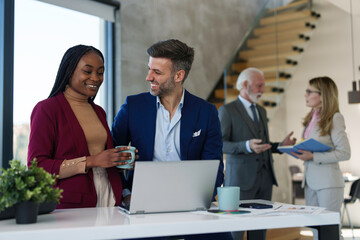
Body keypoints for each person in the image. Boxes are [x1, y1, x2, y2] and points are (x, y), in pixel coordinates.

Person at [112, 39, 232, 240]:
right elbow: (111, 154)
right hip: (141, 205)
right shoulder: (133, 107)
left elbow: (214, 165)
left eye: (157, 72)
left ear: (179, 75)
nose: (148, 77)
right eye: (149, 69)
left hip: (192, 205)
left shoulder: (206, 112)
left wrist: (200, 200)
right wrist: (125, 194)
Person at [27, 45, 133, 209]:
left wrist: (118, 159)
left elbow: (101, 156)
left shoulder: (99, 111)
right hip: (73, 204)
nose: (96, 78)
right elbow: (38, 168)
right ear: (69, 71)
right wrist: (92, 161)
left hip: (110, 196)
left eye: (100, 72)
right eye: (87, 71)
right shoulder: (47, 109)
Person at [218, 67, 296, 240]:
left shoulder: (262, 111)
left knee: (260, 229)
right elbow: (219, 144)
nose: (263, 90)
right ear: (245, 85)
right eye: (259, 85)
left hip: (265, 179)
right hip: (240, 181)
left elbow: (262, 144)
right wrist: (245, 145)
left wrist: (279, 146)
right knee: (235, 230)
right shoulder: (227, 111)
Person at [293, 76, 350, 215]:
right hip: (309, 182)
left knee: (331, 230)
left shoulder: (335, 118)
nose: (305, 95)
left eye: (309, 91)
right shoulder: (310, 119)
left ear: (322, 95)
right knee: (315, 228)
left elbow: (345, 153)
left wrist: (313, 156)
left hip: (328, 183)